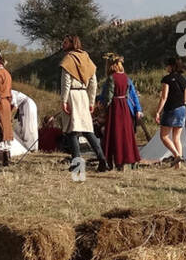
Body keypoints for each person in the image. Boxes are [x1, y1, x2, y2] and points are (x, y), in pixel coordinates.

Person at [60, 36, 106, 171]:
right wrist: (91, 101)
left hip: (72, 96)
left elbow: (66, 82)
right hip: (84, 95)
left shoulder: (68, 59)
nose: (63, 44)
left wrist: (63, 100)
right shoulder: (87, 58)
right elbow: (94, 83)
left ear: (71, 44)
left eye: (65, 42)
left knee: (72, 131)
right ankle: (102, 159)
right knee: (87, 129)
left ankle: (77, 163)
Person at [100, 56, 140, 170]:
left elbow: (108, 97)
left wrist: (103, 108)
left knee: (114, 134)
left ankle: (114, 162)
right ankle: (124, 161)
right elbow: (127, 94)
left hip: (115, 108)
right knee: (125, 134)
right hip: (124, 106)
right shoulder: (126, 78)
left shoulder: (111, 78)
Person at [155, 57, 186, 165]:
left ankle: (177, 156)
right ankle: (178, 165)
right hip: (182, 109)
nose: (166, 67)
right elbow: (185, 99)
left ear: (171, 66)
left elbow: (164, 97)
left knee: (164, 136)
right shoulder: (184, 80)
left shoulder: (167, 79)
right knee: (176, 138)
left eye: (167, 65)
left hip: (171, 109)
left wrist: (158, 112)